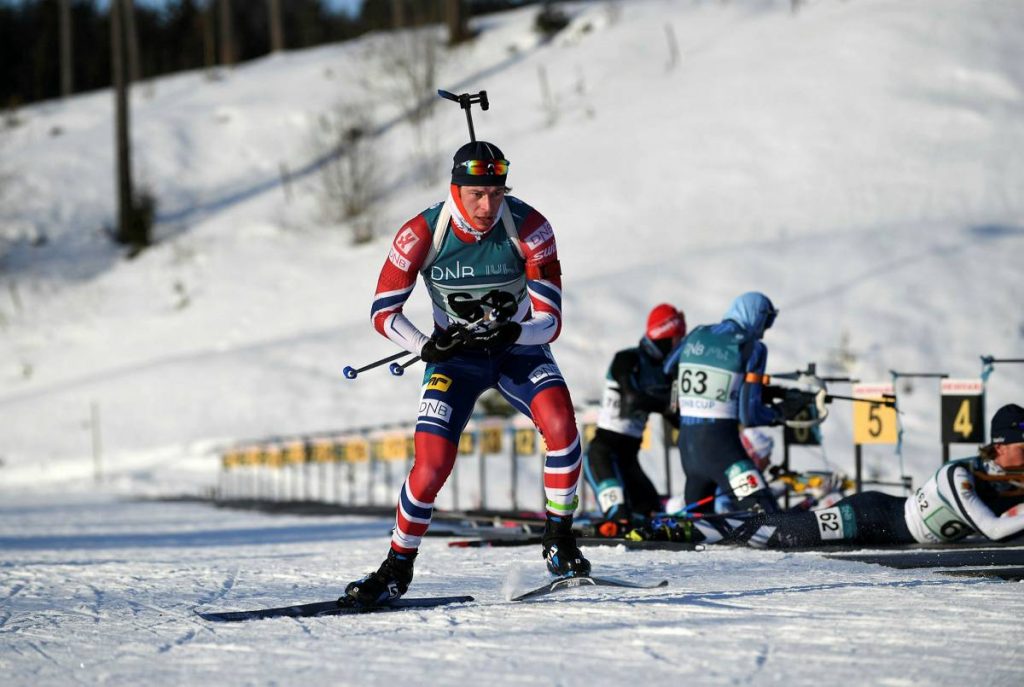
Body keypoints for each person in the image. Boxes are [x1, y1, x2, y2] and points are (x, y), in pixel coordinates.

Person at [345, 140, 588, 606]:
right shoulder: (422, 232)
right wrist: (425, 345)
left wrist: (512, 333)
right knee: (432, 464)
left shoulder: (530, 226)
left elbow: (551, 321)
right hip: (454, 359)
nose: (487, 205)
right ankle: (396, 566)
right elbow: (382, 311)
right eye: (476, 194)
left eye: (496, 194)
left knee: (562, 427)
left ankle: (560, 539)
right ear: (454, 189)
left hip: (518, 350)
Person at [725, 403, 1024, 548]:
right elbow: (995, 531)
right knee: (788, 534)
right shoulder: (958, 475)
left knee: (790, 531)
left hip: (890, 523)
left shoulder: (1009, 480)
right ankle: (709, 532)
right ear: (999, 446)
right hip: (873, 516)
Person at [663, 292, 783, 514]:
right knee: (769, 517)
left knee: (698, 523)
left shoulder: (697, 333)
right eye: (766, 321)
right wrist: (780, 414)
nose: (765, 331)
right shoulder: (753, 347)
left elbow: (668, 367)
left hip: (688, 445)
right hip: (721, 447)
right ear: (755, 316)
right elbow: (749, 415)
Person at [584, 304, 686, 527]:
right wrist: (669, 404)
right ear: (666, 335)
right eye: (678, 338)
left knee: (653, 514)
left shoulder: (666, 373)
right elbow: (632, 401)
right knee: (619, 517)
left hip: (628, 459)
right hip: (603, 456)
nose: (679, 345)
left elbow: (677, 419)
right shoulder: (627, 359)